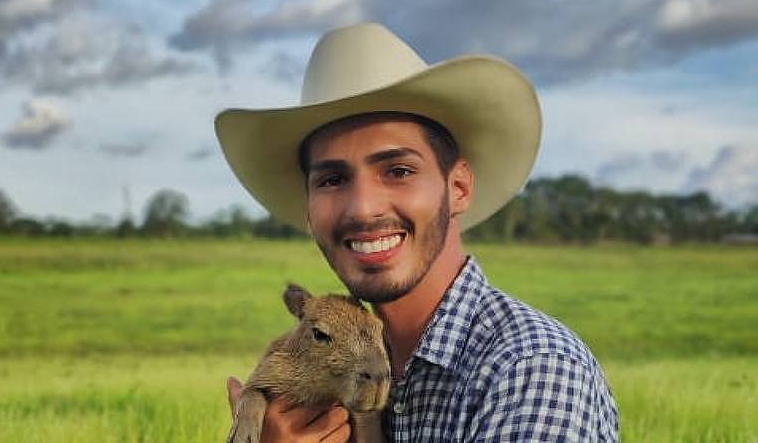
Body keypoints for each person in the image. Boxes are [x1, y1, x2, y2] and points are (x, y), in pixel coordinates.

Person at [216, 23, 619, 442]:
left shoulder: (531, 371)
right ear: (309, 205)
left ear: (458, 187)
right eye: (333, 179)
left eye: (399, 170)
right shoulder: (351, 363)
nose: (364, 208)